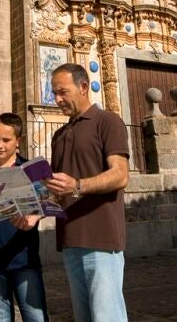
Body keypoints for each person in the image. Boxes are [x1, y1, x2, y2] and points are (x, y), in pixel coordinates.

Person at [44, 63, 130, 322]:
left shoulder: (108, 121)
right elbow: (59, 190)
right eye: (54, 93)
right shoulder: (59, 135)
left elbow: (120, 175)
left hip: (101, 240)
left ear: (83, 87)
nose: (57, 100)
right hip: (70, 240)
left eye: (63, 92)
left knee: (107, 317)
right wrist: (35, 210)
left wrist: (78, 185)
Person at [0, 113, 49, 322]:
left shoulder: (31, 171)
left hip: (23, 260)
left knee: (35, 317)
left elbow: (49, 202)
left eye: (6, 140)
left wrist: (35, 216)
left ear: (18, 141)